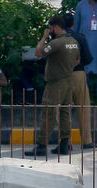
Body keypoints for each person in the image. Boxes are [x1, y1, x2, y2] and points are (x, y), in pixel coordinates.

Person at [25, 16, 80, 157]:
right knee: (64, 112)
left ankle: (42, 145)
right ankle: (64, 145)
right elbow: (77, 60)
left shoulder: (56, 43)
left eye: (51, 28)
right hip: (69, 80)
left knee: (48, 113)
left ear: (55, 27)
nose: (50, 30)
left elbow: (38, 52)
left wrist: (44, 36)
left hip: (56, 82)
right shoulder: (73, 42)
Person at [64, 13, 97, 150]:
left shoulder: (56, 39)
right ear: (73, 23)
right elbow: (88, 58)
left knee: (64, 109)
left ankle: (65, 141)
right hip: (78, 73)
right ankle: (87, 141)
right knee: (83, 107)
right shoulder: (79, 38)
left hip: (62, 75)